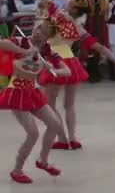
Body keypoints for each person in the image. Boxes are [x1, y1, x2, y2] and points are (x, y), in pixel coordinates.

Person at [38, 0, 115, 150]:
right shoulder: (78, 28)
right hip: (71, 62)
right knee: (69, 105)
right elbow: (100, 47)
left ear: (72, 6)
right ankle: (72, 138)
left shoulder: (57, 14)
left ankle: (61, 137)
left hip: (56, 61)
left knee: (50, 105)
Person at [0, 23, 70, 183]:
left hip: (32, 91)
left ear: (48, 38)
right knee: (33, 133)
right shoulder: (21, 41)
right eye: (38, 29)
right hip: (16, 91)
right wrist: (24, 51)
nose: (38, 33)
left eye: (43, 33)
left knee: (55, 124)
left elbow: (67, 71)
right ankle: (17, 169)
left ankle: (42, 161)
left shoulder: (48, 52)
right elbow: (1, 43)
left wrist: (52, 68)